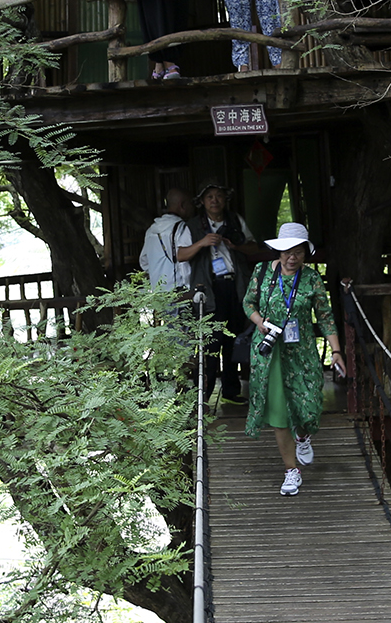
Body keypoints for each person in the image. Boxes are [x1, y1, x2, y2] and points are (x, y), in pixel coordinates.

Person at [242, 223, 345, 497]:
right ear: (279, 250)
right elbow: (247, 303)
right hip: (270, 351)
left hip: (301, 351)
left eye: (298, 252)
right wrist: (259, 321)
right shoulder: (262, 272)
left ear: (304, 253)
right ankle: (291, 471)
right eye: (287, 251)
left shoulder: (311, 279)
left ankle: (303, 435)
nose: (292, 257)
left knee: (309, 403)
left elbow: (325, 316)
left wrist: (336, 351)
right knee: (278, 412)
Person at [177, 182, 264, 402]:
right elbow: (180, 254)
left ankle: (230, 391)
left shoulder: (235, 221)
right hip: (209, 288)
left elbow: (254, 247)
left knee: (233, 337)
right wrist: (203, 242)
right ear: (202, 202)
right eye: (209, 197)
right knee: (210, 341)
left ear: (226, 200)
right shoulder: (193, 225)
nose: (214, 200)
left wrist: (236, 247)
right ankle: (203, 397)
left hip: (234, 286)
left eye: (218, 196)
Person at [138, 187, 193, 296]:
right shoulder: (181, 228)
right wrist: (189, 286)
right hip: (178, 293)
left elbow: (144, 261)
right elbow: (184, 265)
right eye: (190, 204)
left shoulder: (151, 230)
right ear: (182, 205)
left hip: (158, 293)